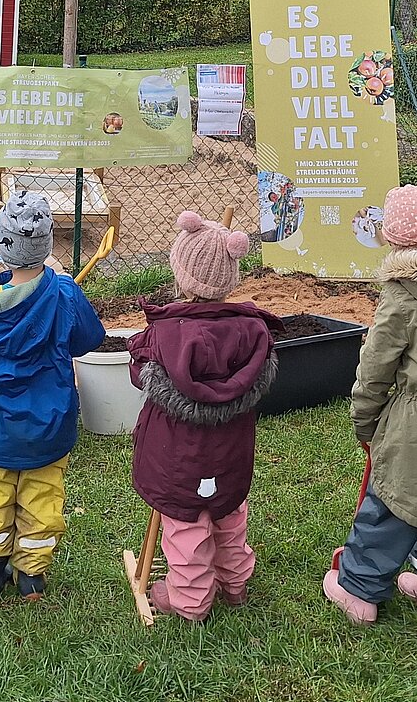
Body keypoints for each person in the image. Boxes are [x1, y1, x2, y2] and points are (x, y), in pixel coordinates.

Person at [324, 185, 417, 624]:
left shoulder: (402, 296)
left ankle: (359, 591)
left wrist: (364, 419)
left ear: (391, 239)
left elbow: (375, 368)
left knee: (391, 504)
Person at [128, 211, 281, 621]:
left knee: (187, 526)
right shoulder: (254, 331)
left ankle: (191, 602)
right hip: (230, 451)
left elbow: (138, 373)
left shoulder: (164, 332)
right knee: (229, 512)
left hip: (178, 456)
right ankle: (235, 585)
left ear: (181, 273)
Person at [0, 191, 105, 604]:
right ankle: (31, 577)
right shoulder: (64, 293)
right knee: (43, 494)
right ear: (48, 243)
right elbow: (89, 339)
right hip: (49, 424)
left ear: (1, 243)